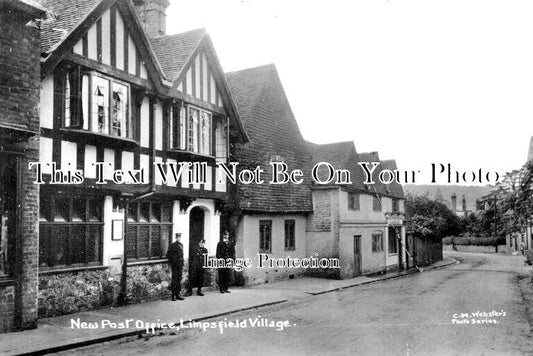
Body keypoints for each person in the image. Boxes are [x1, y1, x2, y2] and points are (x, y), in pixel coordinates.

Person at [166, 233, 184, 301]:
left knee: (179, 279)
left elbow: (182, 255)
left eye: (179, 237)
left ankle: (178, 294)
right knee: (174, 280)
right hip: (175, 265)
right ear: (175, 237)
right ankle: (173, 295)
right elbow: (168, 255)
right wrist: (173, 261)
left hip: (180, 265)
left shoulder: (181, 245)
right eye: (177, 237)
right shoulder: (172, 245)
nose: (178, 238)